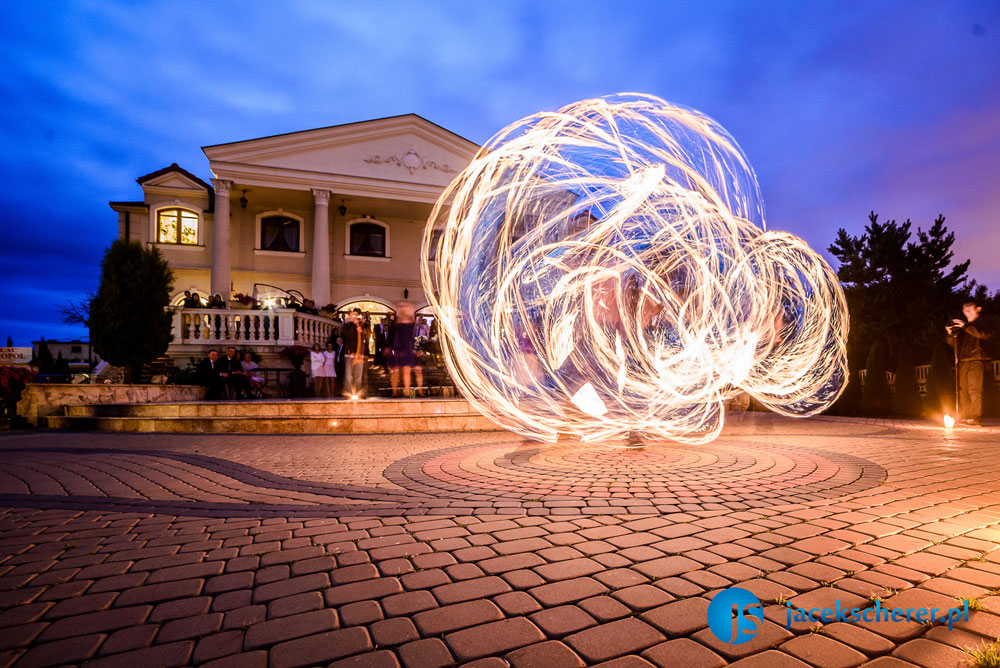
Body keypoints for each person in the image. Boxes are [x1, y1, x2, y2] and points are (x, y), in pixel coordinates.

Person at [947, 299, 993, 426]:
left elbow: (983, 335)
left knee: (974, 389)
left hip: (977, 359)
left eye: (970, 310)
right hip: (963, 361)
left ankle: (975, 417)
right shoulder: (964, 327)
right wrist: (950, 333)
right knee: (963, 390)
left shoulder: (983, 323)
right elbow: (954, 345)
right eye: (965, 310)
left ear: (978, 309)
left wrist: (964, 326)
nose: (967, 313)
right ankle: (966, 416)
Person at [388, 299, 418, 397]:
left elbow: (411, 336)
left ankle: (406, 391)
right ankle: (395, 392)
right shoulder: (397, 322)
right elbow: (392, 335)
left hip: (406, 346)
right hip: (397, 346)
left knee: (406, 370)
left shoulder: (410, 321)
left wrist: (414, 348)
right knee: (396, 370)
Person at [341, 309, 365, 398]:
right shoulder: (346, 326)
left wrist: (361, 330)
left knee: (358, 376)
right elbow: (348, 335)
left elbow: (363, 338)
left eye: (356, 315)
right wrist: (355, 325)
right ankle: (348, 394)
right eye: (353, 315)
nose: (355, 317)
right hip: (349, 354)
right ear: (349, 316)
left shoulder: (360, 325)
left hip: (359, 354)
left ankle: (358, 393)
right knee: (348, 376)